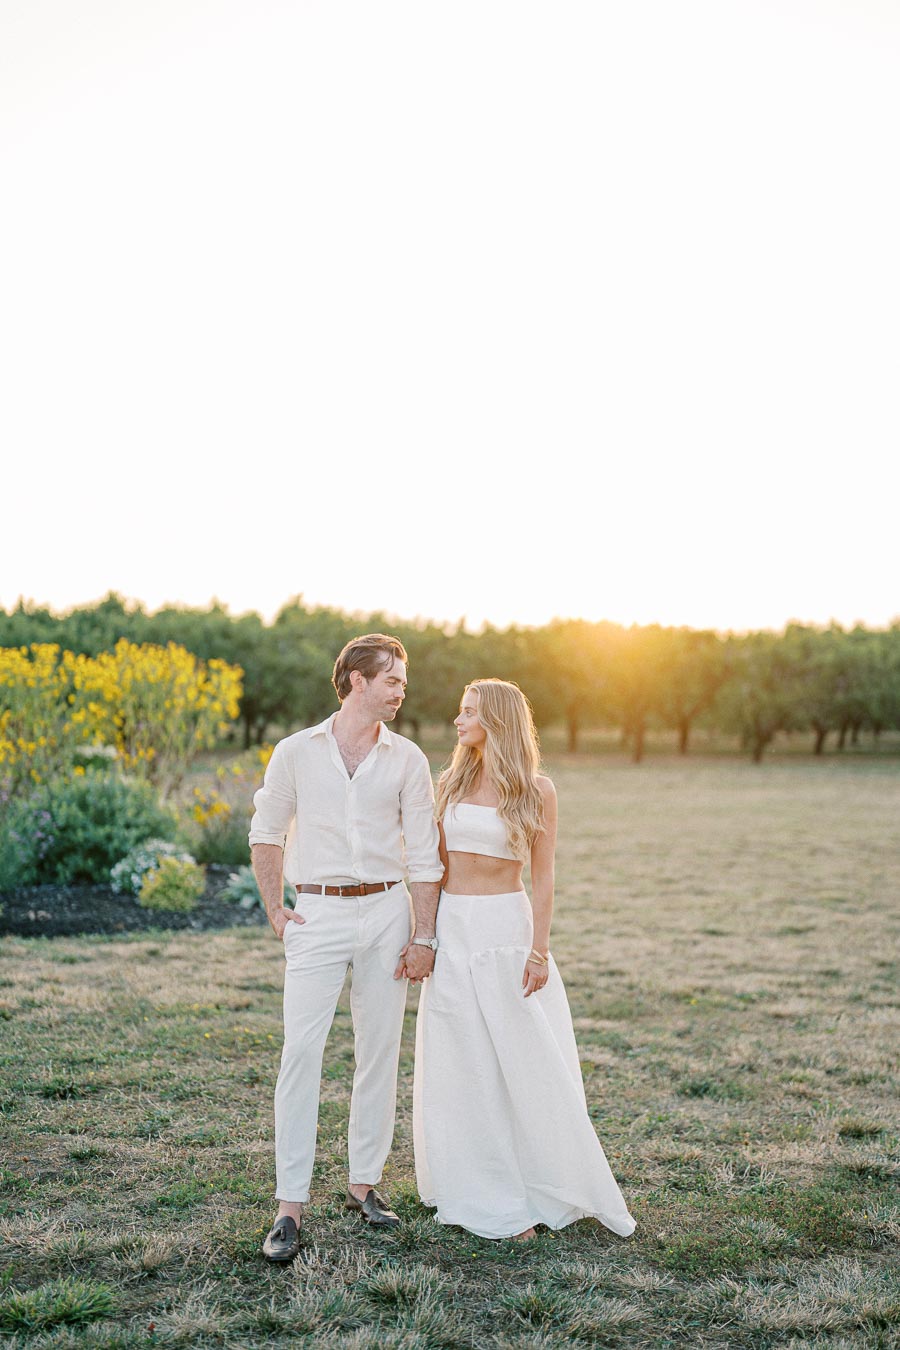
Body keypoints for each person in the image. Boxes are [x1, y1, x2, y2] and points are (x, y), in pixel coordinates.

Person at [409, 678, 636, 1241]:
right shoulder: (449, 784)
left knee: (520, 1061)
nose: (457, 721)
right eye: (458, 710)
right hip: (455, 932)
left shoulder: (537, 790)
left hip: (508, 935)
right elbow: (432, 868)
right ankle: (476, 1187)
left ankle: (536, 1180)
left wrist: (540, 949)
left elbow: (544, 875)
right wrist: (425, 936)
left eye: (468, 712)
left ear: (498, 720)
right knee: (462, 1060)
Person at [249, 633, 443, 1261]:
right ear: (358, 680)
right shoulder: (295, 752)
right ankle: (288, 1207)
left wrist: (422, 934)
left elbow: (424, 856)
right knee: (301, 1052)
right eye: (392, 680)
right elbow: (266, 832)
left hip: (388, 910)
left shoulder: (409, 759)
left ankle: (365, 1184)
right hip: (319, 913)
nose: (401, 691)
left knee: (378, 1051)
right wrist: (278, 911)